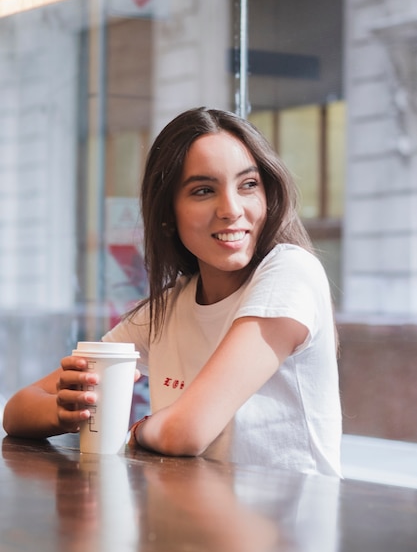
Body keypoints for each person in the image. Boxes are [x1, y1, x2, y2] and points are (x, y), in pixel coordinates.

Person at [3, 107, 342, 476]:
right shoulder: (168, 307)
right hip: (194, 521)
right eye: (203, 191)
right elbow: (18, 410)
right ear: (168, 213)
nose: (231, 209)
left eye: (248, 185)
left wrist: (135, 432)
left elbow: (186, 433)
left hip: (289, 527)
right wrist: (65, 410)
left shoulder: (291, 271)